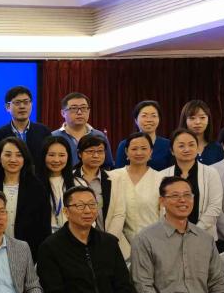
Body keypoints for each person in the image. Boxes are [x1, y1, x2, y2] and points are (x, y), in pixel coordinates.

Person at [104, 131, 163, 260]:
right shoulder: (111, 177)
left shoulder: (161, 179)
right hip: (118, 247)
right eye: (134, 149)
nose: (139, 153)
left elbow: (164, 217)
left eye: (144, 148)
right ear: (126, 151)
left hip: (153, 246)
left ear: (151, 152)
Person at [0, 136, 50, 255]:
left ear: (24, 159)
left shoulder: (37, 188)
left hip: (29, 252)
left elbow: (44, 227)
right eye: (8, 155)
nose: (13, 160)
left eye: (19, 155)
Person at [0, 85, 51, 186]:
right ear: (8, 107)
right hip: (6, 187)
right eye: (17, 103)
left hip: (39, 187)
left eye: (26, 102)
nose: (22, 106)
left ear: (31, 105)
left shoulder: (44, 132)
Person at [167, 129, 223, 239]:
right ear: (172, 151)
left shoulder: (211, 173)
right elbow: (161, 208)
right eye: (181, 146)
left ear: (197, 148)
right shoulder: (163, 175)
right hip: (170, 236)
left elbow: (215, 206)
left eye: (191, 145)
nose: (187, 149)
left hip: (204, 236)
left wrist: (194, 231)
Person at [52, 92, 109, 167]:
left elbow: (108, 165)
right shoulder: (53, 137)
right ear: (63, 113)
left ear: (89, 111)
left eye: (83, 108)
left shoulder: (99, 136)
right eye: (74, 108)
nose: (79, 112)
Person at [113, 100, 172, 169]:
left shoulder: (168, 145)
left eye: (153, 116)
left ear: (159, 119)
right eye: (144, 116)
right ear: (136, 120)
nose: (149, 120)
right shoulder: (124, 144)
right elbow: (118, 171)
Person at [71, 133, 113, 228]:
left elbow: (118, 213)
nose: (96, 155)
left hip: (105, 232)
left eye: (100, 151)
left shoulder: (112, 178)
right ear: (79, 153)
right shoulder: (70, 178)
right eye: (90, 151)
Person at [39, 135, 74, 237]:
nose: (56, 160)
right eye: (51, 155)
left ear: (68, 156)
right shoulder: (35, 184)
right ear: (44, 156)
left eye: (62, 155)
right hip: (44, 238)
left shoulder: (78, 183)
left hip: (72, 237)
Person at [180, 99, 224, 165]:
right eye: (192, 118)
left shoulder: (217, 148)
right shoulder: (177, 148)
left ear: (208, 120)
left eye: (202, 117)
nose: (198, 122)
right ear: (185, 120)